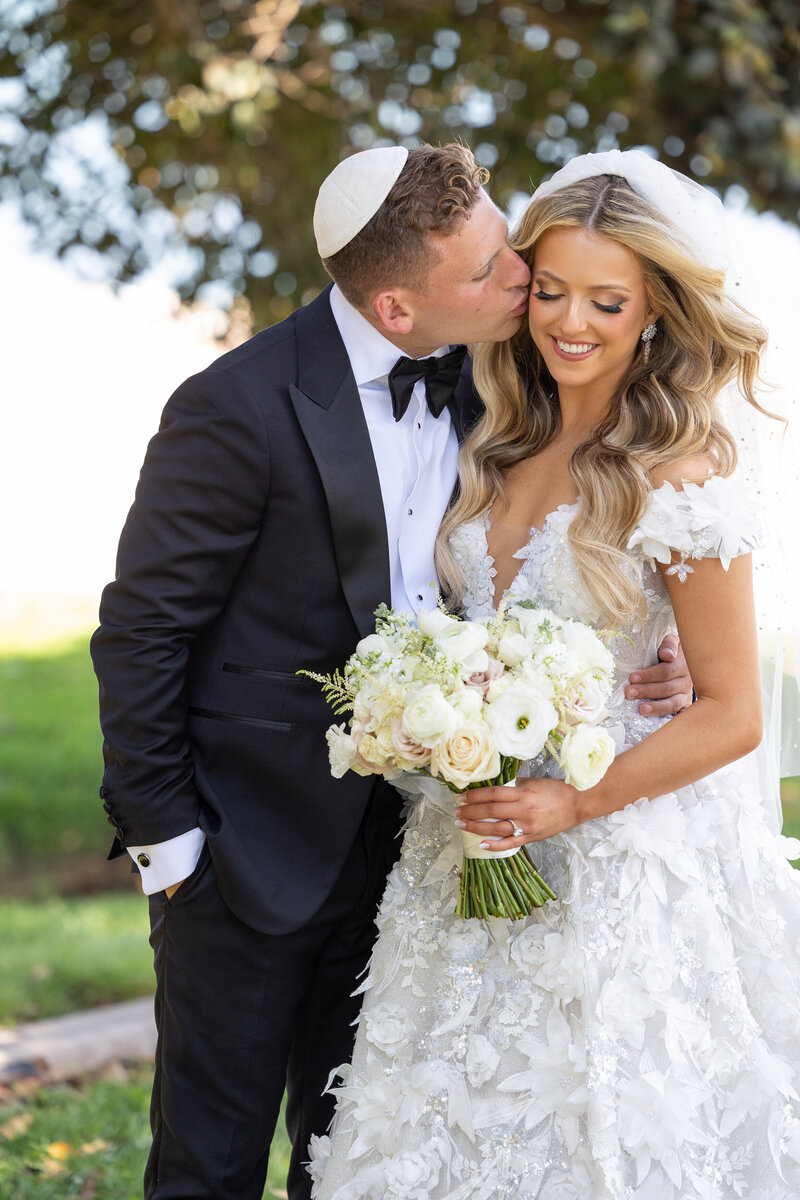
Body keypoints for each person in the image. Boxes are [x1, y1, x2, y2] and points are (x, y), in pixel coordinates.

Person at [90, 143, 690, 1200]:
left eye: (507, 248)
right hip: (246, 850)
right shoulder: (232, 409)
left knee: (358, 1154)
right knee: (210, 1162)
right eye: (489, 271)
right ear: (396, 308)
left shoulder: (502, 381)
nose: (522, 281)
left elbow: (581, 524)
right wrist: (170, 850)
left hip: (421, 854)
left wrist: (661, 627)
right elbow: (142, 630)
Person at [311, 151, 800, 1200]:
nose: (569, 323)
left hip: (617, 862)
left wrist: (573, 800)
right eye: (549, 291)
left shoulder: (681, 466)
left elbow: (731, 713)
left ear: (656, 310)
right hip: (466, 844)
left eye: (607, 302)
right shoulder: (492, 436)